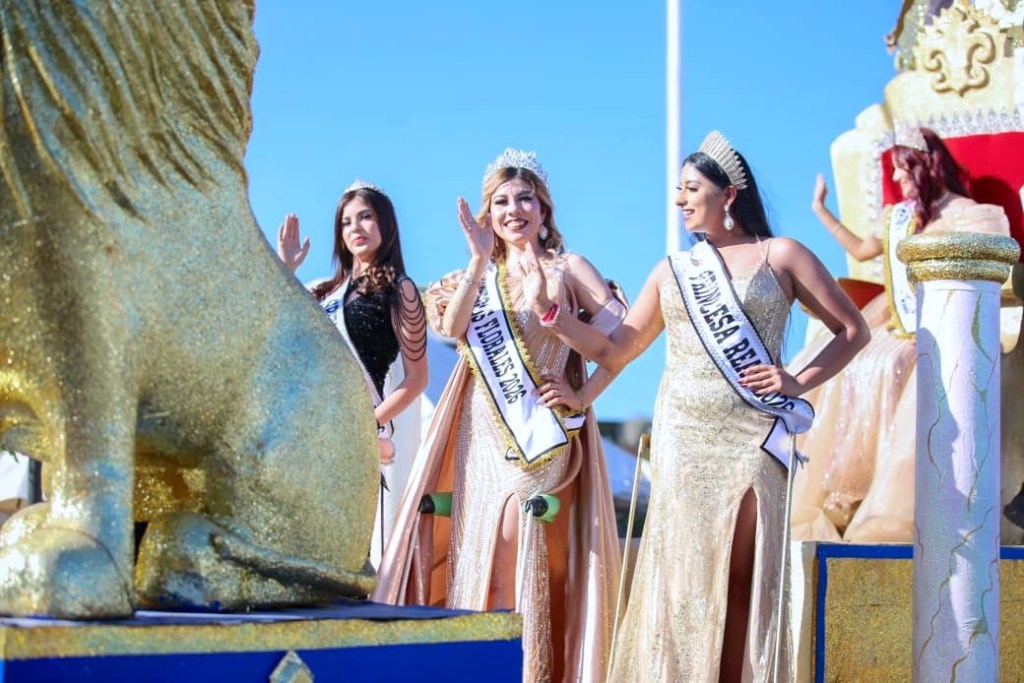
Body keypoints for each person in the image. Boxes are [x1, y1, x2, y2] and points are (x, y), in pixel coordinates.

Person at [526, 131, 869, 681]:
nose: (681, 200)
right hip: (685, 438)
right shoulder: (673, 270)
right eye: (678, 191)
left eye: (692, 189)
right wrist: (553, 317)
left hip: (754, 434)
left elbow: (853, 330)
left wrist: (796, 379)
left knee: (742, 575)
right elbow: (617, 348)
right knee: (685, 579)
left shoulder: (782, 255)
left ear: (728, 195)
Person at [374, 149, 625, 683]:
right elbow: (452, 328)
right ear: (488, 213)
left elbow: (620, 342)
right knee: (480, 567)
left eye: (525, 199)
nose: (515, 210)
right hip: (477, 435)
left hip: (536, 438)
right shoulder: (477, 272)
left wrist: (584, 395)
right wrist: (478, 261)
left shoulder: (570, 268)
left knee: (515, 552)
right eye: (502, 201)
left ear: (544, 208)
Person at [790, 126, 1009, 542]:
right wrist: (821, 210)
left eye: (903, 170)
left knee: (891, 361)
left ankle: (886, 503)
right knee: (837, 361)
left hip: (948, 321)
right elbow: (860, 251)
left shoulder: (972, 214)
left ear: (927, 165)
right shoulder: (903, 218)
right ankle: (842, 493)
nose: (897, 181)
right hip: (893, 318)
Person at [276, 180, 428, 566]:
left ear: (385, 224)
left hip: (357, 440)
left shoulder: (401, 290)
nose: (355, 228)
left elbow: (417, 380)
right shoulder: (323, 292)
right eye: (346, 222)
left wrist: (364, 426)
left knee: (346, 553)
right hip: (312, 433)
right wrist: (286, 270)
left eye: (365, 217)